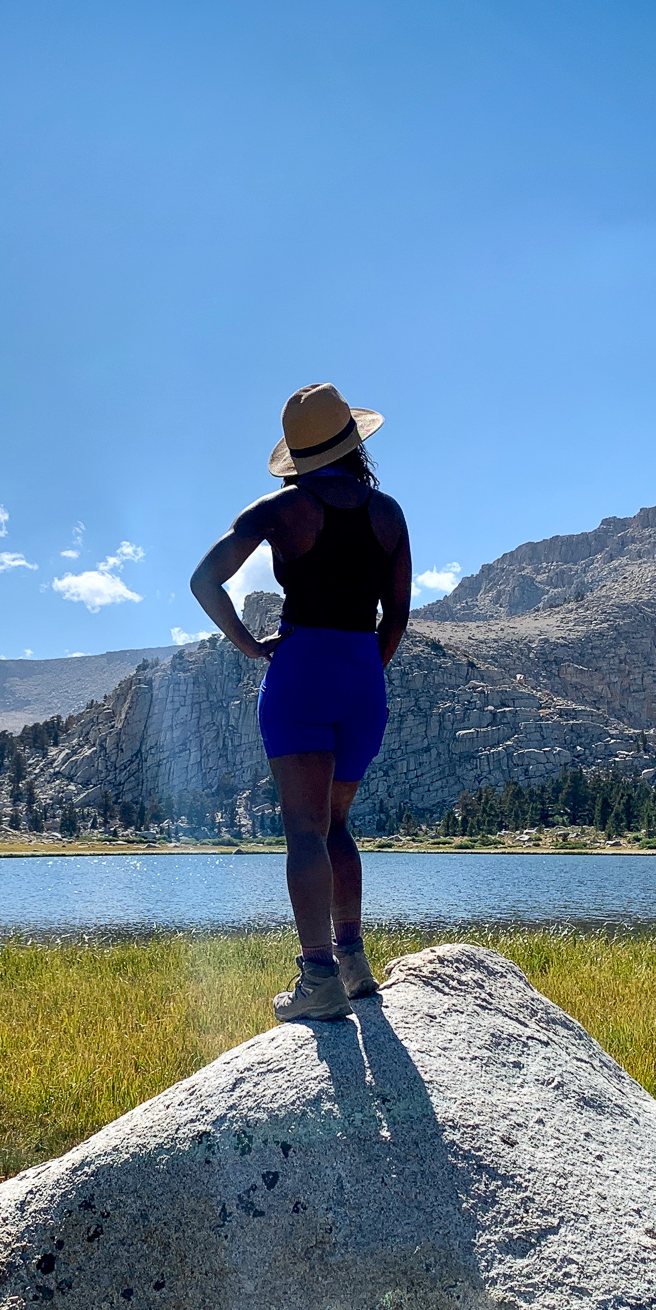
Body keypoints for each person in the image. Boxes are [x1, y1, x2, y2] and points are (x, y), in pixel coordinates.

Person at [190, 384, 412, 1023]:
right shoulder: (389, 514)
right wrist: (369, 669)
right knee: (338, 824)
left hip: (302, 670)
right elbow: (395, 611)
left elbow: (205, 579)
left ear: (302, 454)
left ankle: (317, 980)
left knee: (304, 832)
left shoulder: (281, 508)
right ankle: (354, 962)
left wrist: (249, 645)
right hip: (361, 674)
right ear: (352, 442)